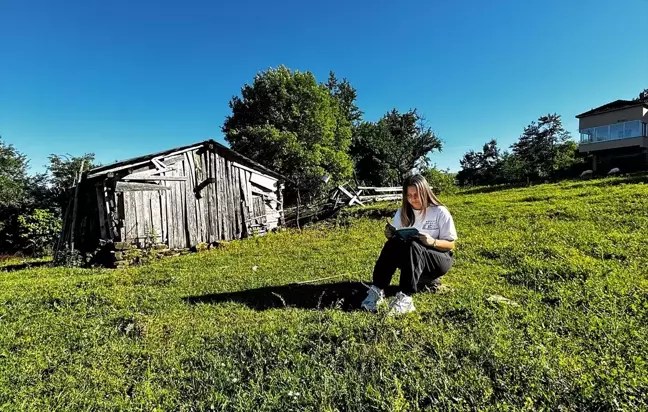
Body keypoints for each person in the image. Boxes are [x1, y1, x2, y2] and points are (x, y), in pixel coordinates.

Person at [361, 174, 458, 314]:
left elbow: (451, 245)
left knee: (413, 244)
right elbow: (397, 238)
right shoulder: (403, 212)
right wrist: (390, 235)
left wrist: (432, 241)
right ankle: (377, 290)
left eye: (416, 195)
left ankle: (406, 297)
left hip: (438, 259)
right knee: (393, 243)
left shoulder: (439, 211)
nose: (412, 199)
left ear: (425, 192)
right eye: (409, 195)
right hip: (411, 258)